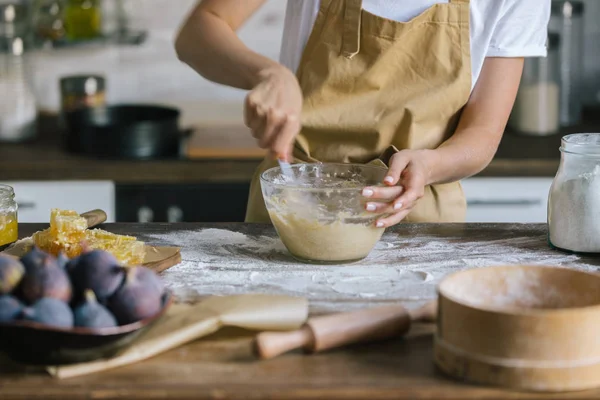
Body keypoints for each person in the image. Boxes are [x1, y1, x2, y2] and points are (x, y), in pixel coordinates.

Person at [175, 0, 551, 227]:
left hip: (419, 224)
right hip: (293, 214)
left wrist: (431, 165)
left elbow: (482, 134)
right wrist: (268, 74)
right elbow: (199, 31)